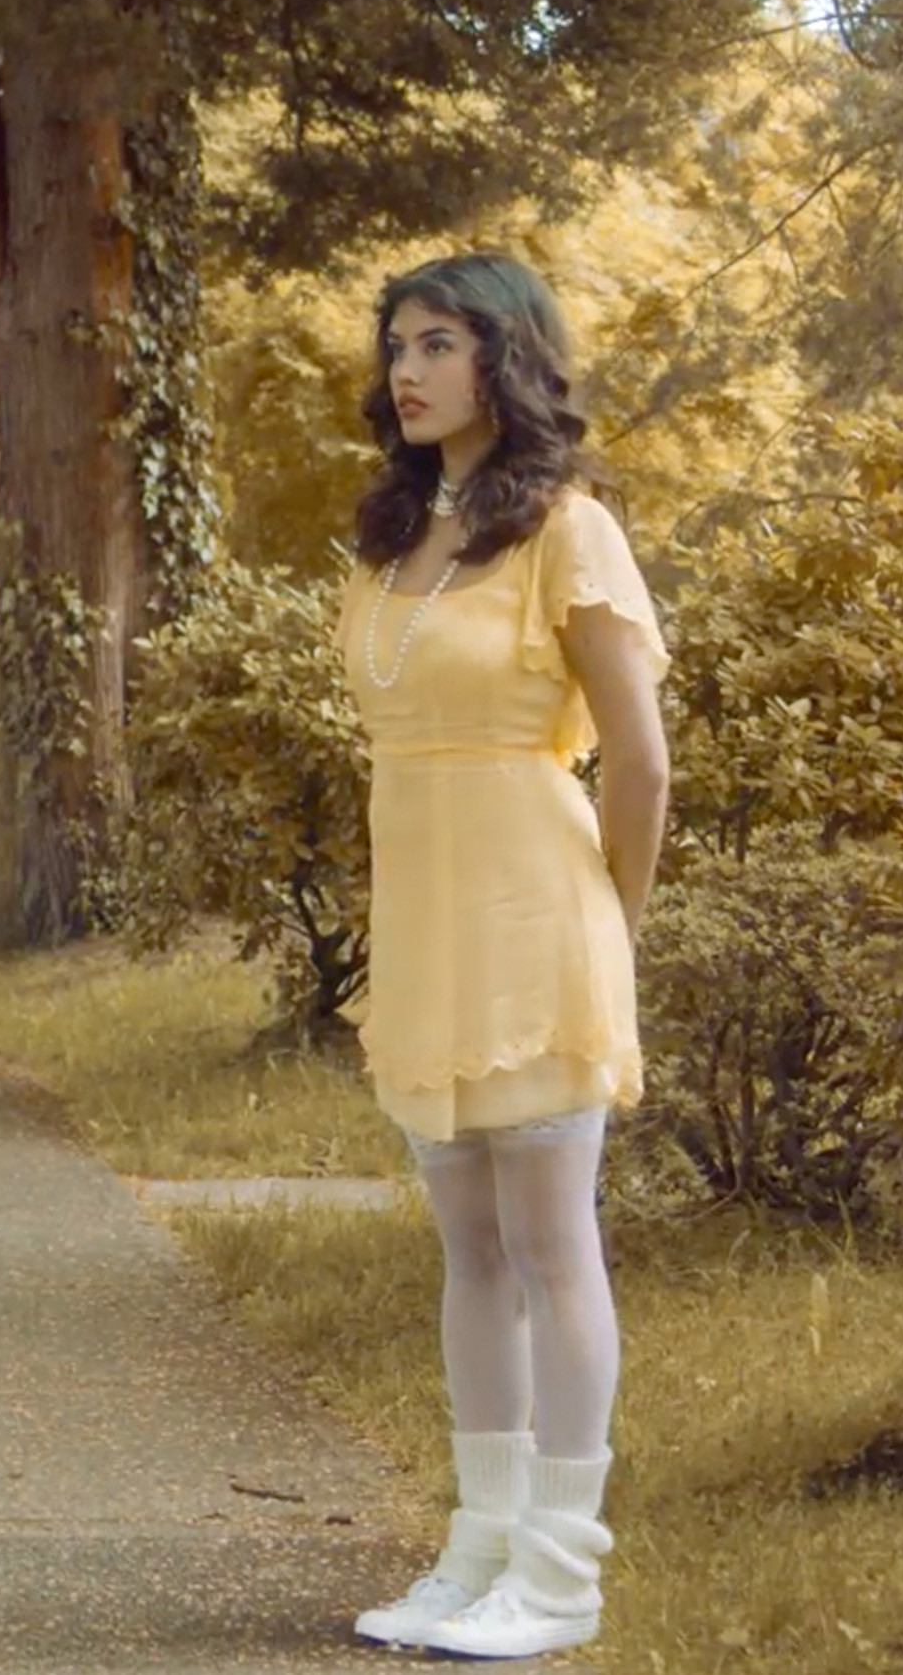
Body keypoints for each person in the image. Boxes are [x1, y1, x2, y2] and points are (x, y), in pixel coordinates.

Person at [334, 255, 669, 1662]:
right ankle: (479, 1544)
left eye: (439, 344)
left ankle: (560, 1572)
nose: (407, 370)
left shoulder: (568, 530)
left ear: (504, 359)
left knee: (549, 1245)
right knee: (469, 1250)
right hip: (425, 919)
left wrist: (612, 932)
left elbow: (639, 758)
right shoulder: (394, 530)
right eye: (397, 345)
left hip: (540, 913)